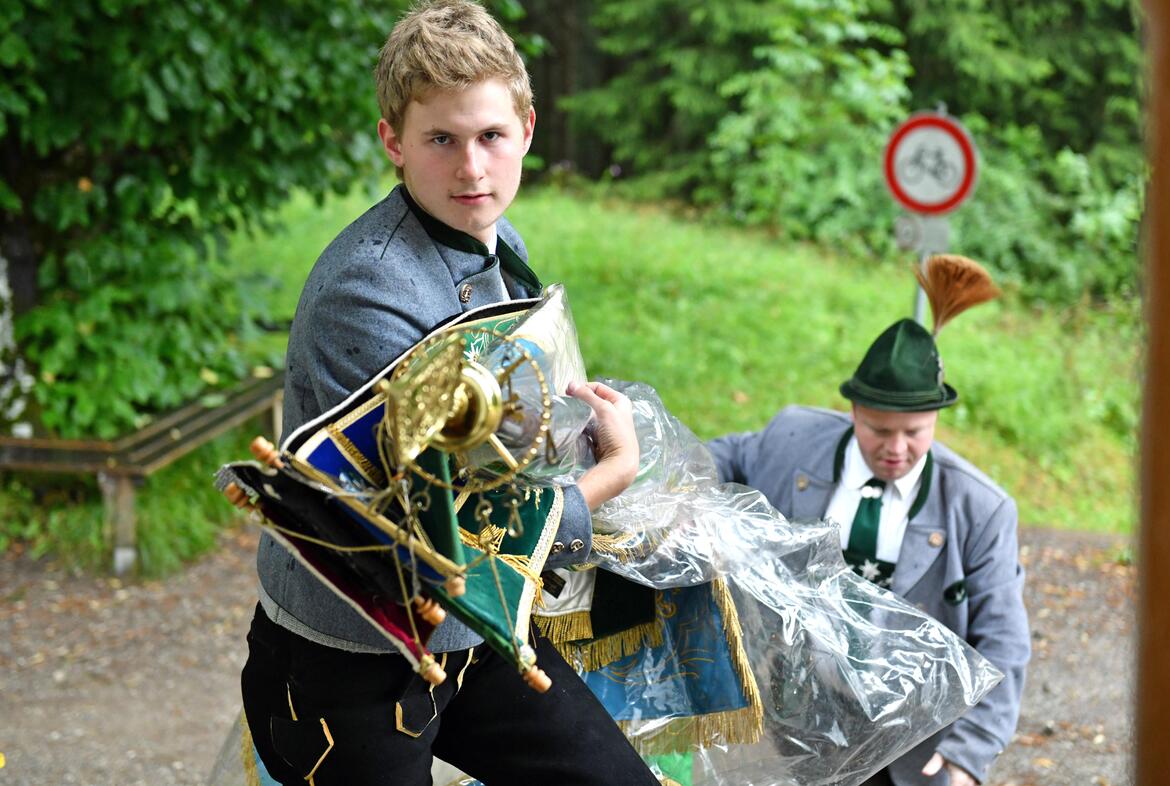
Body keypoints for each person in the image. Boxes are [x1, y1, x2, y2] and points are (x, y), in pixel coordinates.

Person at [240, 3, 656, 784]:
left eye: (491, 136)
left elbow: (509, 413)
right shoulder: (368, 290)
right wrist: (606, 480)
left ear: (526, 130)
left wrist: (576, 423)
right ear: (393, 141)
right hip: (354, 660)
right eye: (441, 140)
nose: (472, 168)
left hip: (469, 639)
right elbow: (431, 526)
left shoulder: (492, 233)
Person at [707, 262, 1031, 786]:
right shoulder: (795, 438)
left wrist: (970, 755)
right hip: (802, 720)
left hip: (914, 744)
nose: (896, 449)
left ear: (936, 420)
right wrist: (678, 496)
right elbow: (723, 458)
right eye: (879, 429)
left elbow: (1005, 642)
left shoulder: (981, 509)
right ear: (853, 409)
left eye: (915, 432)